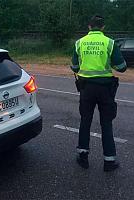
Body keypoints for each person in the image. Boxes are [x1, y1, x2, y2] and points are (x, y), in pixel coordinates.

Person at [71, 15, 127, 171]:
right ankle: (109, 161)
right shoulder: (110, 42)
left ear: (89, 26)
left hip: (86, 88)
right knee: (106, 123)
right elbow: (122, 67)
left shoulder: (79, 43)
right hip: (105, 89)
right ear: (103, 27)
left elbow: (74, 67)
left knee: (85, 121)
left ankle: (83, 157)